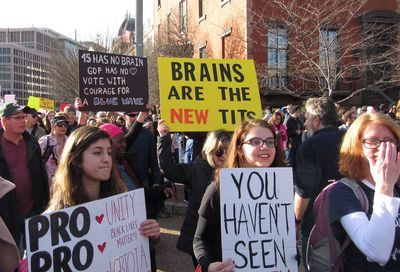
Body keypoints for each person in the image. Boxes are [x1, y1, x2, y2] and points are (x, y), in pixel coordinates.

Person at [46, 126, 160, 267]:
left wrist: (149, 235)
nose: (107, 159)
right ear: (75, 158)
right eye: (97, 152)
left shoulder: (122, 202)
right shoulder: (55, 217)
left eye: (109, 152)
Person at [193, 119, 285, 272]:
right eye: (255, 141)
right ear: (240, 148)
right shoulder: (220, 187)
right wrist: (209, 265)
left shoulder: (282, 187)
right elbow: (200, 239)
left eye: (270, 142)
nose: (265, 146)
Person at [329, 112, 400, 271]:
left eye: (389, 141)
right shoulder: (344, 192)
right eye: (373, 141)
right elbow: (377, 252)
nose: (382, 148)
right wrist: (384, 187)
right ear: (356, 147)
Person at [157, 120, 231, 267]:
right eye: (219, 151)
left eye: (228, 151)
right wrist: (164, 138)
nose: (223, 156)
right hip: (202, 239)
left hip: (230, 238)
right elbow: (169, 169)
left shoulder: (240, 172)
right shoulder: (197, 168)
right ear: (210, 150)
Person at [293, 97, 345, 269]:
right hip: (352, 216)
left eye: (307, 117)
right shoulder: (351, 140)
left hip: (318, 225)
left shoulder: (309, 146)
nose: (305, 122)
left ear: (316, 120)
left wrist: (296, 220)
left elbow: (304, 190)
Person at [0, 102, 49, 249]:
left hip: (33, 212)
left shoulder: (32, 142)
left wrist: (44, 204)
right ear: (4, 121)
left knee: (36, 256)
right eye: (18, 118)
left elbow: (42, 174)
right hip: (7, 216)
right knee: (10, 260)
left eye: (24, 117)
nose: (24, 121)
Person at [38, 115, 68, 185]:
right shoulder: (45, 141)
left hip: (65, 182)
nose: (63, 127)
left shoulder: (70, 141)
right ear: (53, 126)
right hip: (47, 184)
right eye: (60, 124)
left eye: (65, 125)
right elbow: (36, 161)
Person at [286, 105, 304, 170]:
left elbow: (302, 128)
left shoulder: (298, 120)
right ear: (293, 112)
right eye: (297, 112)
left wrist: (301, 131)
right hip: (292, 143)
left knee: (298, 161)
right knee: (292, 161)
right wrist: (295, 132)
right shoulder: (289, 121)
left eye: (299, 112)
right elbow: (287, 133)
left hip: (299, 142)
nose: (298, 114)